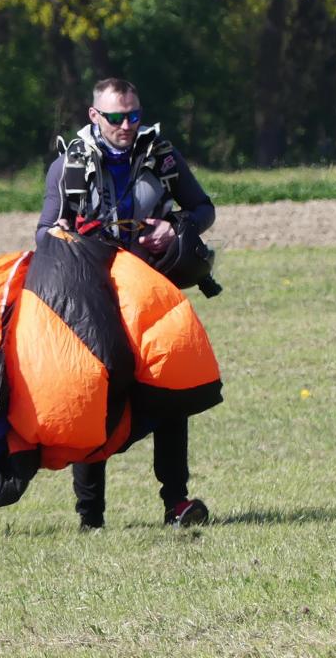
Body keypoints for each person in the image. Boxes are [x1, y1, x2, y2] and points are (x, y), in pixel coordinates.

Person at [36, 77, 217, 530]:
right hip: (93, 301)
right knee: (94, 398)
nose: (126, 125)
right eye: (116, 117)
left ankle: (176, 503)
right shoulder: (67, 166)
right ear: (94, 116)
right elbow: (43, 233)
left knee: (171, 390)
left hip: (152, 297)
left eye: (134, 115)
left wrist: (174, 227)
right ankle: (90, 517)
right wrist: (66, 235)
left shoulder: (161, 156)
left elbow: (203, 208)